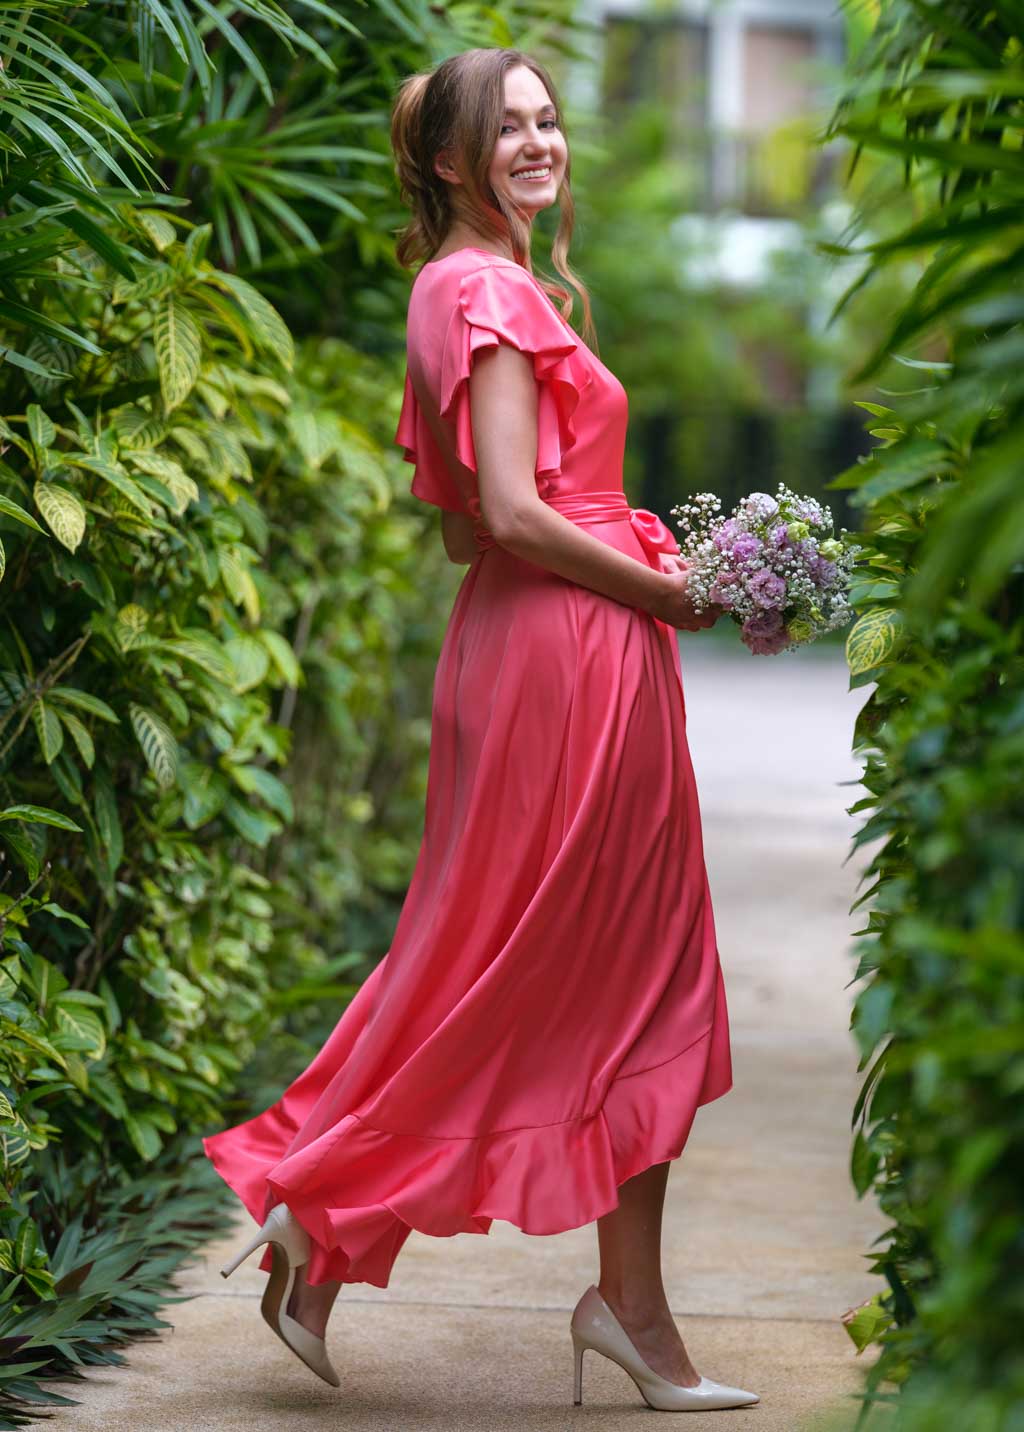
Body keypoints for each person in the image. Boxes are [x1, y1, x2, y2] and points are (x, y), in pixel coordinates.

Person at [203, 46, 759, 1413]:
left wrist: (625, 558)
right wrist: (677, 592)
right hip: (570, 663)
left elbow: (466, 529)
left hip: (537, 651)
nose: (537, 141)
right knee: (612, 977)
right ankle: (343, 1214)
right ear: (449, 162)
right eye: (503, 128)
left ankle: (380, 1250)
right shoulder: (489, 289)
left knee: (512, 965)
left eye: (547, 118)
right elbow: (508, 515)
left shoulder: (463, 291)